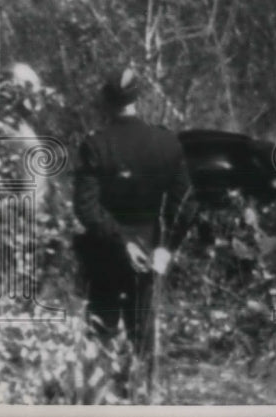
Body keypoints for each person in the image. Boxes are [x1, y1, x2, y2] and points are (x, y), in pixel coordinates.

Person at [73, 68, 193, 362]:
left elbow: (86, 207)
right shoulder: (166, 143)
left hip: (103, 252)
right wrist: (166, 247)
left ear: (106, 101)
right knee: (143, 339)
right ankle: (144, 387)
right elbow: (185, 205)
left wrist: (121, 241)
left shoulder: (95, 144)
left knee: (100, 337)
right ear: (138, 98)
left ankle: (100, 388)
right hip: (149, 251)